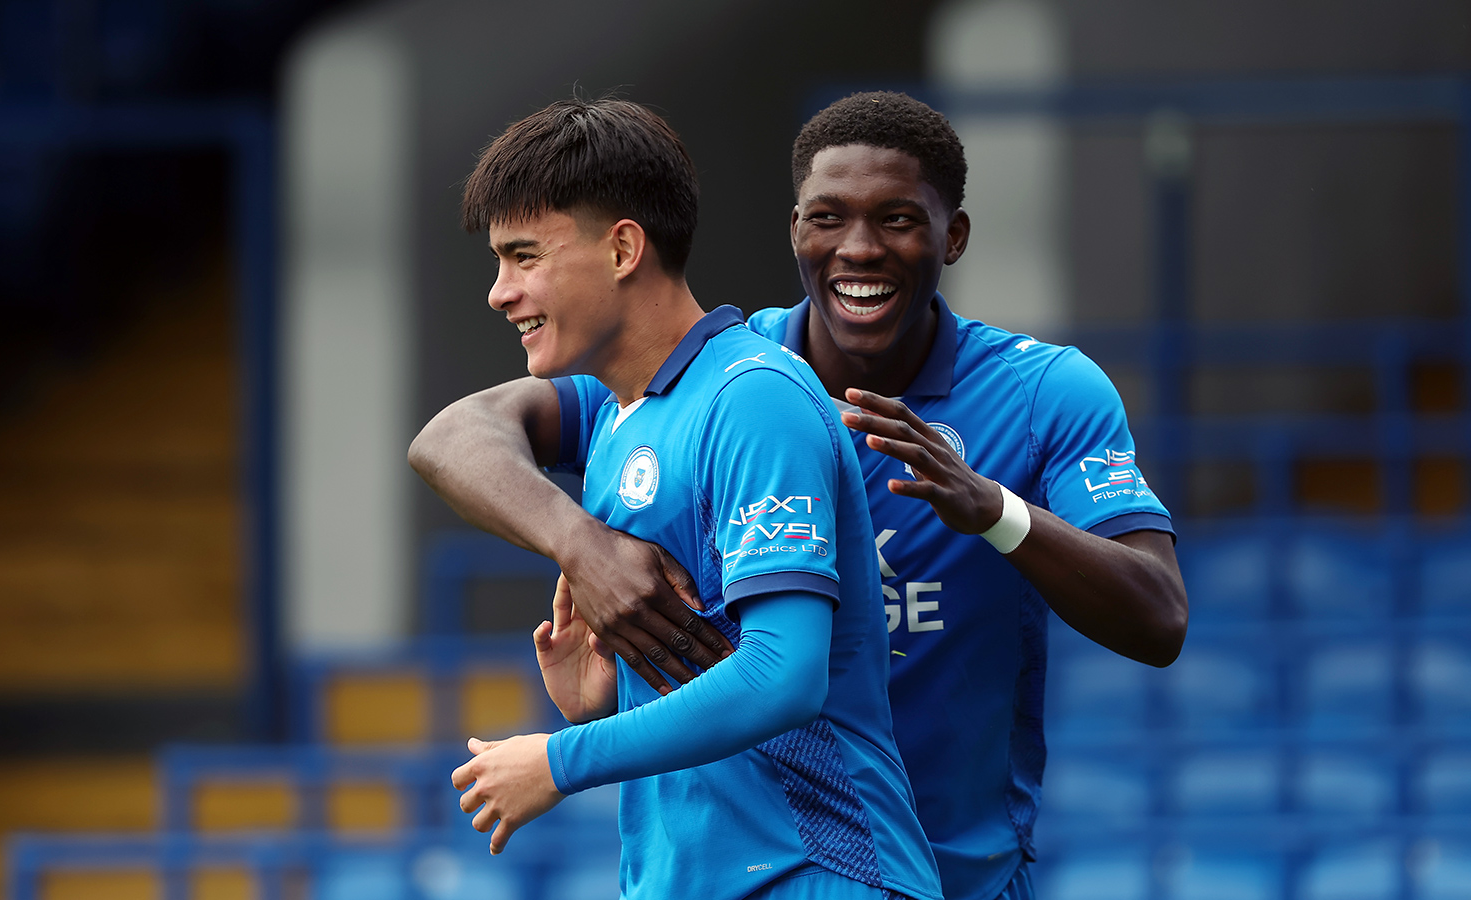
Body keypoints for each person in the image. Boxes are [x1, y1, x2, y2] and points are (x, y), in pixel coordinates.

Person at [411, 91, 1189, 900]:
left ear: (952, 236)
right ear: (794, 230)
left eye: (896, 220)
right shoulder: (660, 392)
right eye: (827, 218)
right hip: (769, 845)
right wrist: (590, 557)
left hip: (924, 866)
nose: (858, 249)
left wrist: (995, 512)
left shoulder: (1026, 394)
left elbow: (1158, 615)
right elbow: (452, 439)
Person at [425, 96, 942, 900]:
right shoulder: (625, 418)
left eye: (524, 256)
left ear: (624, 247)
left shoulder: (752, 397)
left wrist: (562, 762)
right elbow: (439, 442)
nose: (500, 291)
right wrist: (617, 693)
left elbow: (786, 673)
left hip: (823, 876)